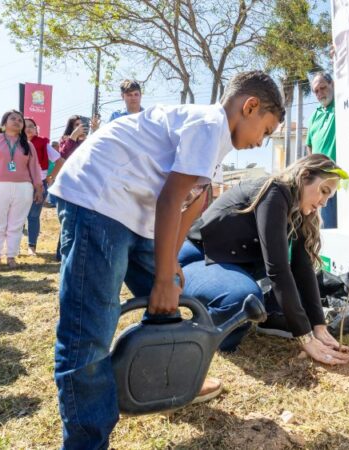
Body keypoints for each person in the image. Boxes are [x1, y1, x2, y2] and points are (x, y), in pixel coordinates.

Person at [47, 70, 284, 449]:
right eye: (266, 130)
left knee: (173, 298)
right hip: (99, 199)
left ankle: (169, 380)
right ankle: (86, 441)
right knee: (87, 334)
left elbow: (196, 201)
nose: (261, 142)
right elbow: (170, 198)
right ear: (250, 106)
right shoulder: (209, 125)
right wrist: (159, 279)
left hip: (135, 210)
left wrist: (169, 264)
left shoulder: (217, 142)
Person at [181, 154, 349, 363]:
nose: (324, 202)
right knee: (245, 298)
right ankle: (208, 327)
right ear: (305, 176)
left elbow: (302, 267)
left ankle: (264, 314)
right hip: (197, 259)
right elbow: (277, 269)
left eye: (329, 197)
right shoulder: (275, 191)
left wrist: (318, 325)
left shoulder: (298, 209)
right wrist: (305, 338)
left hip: (235, 264)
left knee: (293, 297)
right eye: (324, 191)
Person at [0, 110, 43, 267]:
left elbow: (35, 169)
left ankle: (11, 257)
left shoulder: (28, 145)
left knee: (16, 224)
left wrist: (38, 188)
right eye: (13, 118)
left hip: (23, 187)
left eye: (20, 120)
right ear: (4, 122)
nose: (17, 121)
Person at [24, 117, 64, 256]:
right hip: (19, 184)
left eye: (31, 126)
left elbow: (60, 161)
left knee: (33, 216)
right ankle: (13, 246)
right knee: (16, 215)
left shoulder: (43, 144)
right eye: (25, 125)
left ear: (36, 129)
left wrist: (50, 177)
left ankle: (32, 247)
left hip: (39, 184)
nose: (28, 128)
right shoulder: (14, 143)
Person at [305, 72, 337, 229]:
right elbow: (309, 144)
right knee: (325, 230)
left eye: (323, 88)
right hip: (321, 183)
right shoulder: (313, 117)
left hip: (340, 179)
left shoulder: (341, 106)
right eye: (316, 91)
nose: (320, 94)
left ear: (333, 85)